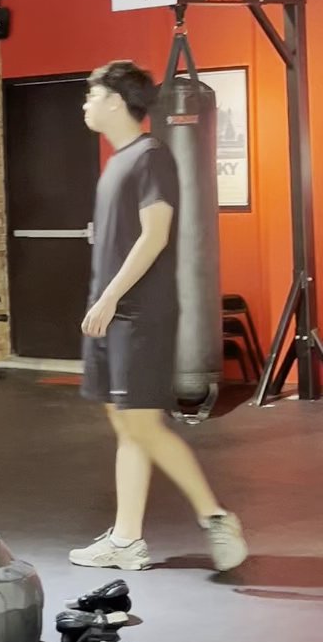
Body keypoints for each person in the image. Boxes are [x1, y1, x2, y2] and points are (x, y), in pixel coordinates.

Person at [72, 60, 247, 573]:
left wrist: (109, 298)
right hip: (110, 315)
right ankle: (126, 539)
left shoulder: (152, 157)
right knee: (125, 425)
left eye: (91, 95)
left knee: (144, 427)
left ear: (113, 101)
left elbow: (155, 236)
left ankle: (216, 515)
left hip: (139, 318)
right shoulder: (117, 163)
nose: (85, 104)